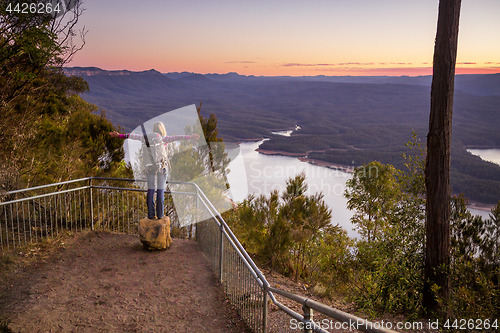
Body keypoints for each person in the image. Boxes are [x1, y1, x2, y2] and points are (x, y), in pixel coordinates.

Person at [110, 122, 200, 219]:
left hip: (149, 168)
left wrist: (119, 135)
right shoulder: (163, 139)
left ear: (153, 129)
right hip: (161, 167)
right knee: (160, 191)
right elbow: (177, 137)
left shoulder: (145, 138)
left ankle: (151, 215)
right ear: (162, 129)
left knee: (150, 190)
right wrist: (190, 137)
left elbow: (132, 136)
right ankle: (160, 215)